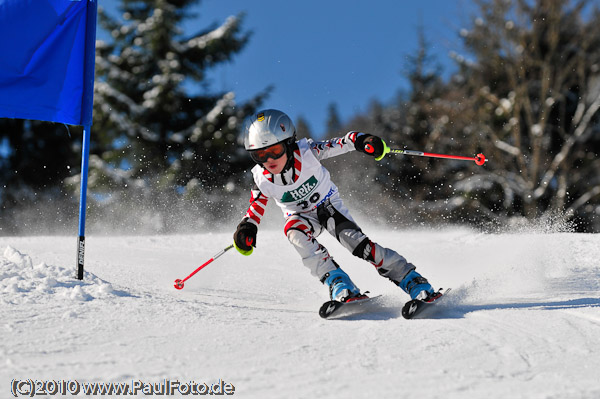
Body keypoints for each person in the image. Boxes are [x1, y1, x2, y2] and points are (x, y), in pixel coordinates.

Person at [233, 109, 436, 303]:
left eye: (275, 151)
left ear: (288, 144)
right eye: (260, 155)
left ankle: (412, 279)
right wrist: (247, 227)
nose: (269, 160)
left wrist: (363, 141)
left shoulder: (307, 152)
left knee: (359, 246)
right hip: (301, 217)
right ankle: (339, 284)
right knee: (294, 232)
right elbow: (255, 206)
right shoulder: (261, 178)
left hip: (327, 206)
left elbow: (343, 142)